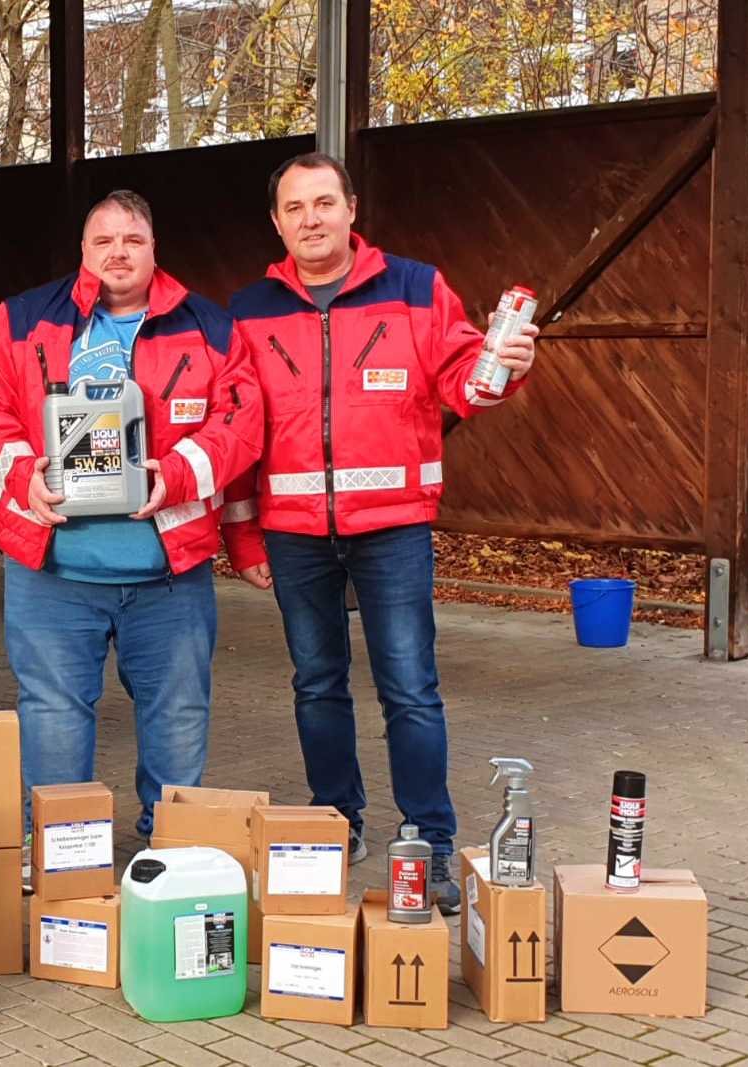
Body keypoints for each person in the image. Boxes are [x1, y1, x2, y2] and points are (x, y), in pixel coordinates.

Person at [221, 153, 537, 913]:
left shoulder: (417, 289)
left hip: (393, 528)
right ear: (277, 222)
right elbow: (235, 428)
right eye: (294, 208)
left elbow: (468, 376)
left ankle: (427, 842)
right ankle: (335, 821)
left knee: (411, 691)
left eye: (324, 202)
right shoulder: (249, 309)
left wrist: (510, 365)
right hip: (294, 531)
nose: (311, 219)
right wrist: (243, 536)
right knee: (317, 684)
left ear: (352, 208)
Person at [0, 190, 262, 880]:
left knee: (178, 716)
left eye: (133, 239)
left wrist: (181, 472)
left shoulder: (211, 327)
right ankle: (66, 858)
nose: (118, 252)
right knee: (54, 718)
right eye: (104, 241)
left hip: (168, 572)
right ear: (84, 252)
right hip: (53, 569)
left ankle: (171, 856)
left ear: (155, 249)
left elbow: (241, 421)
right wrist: (19, 471)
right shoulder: (22, 319)